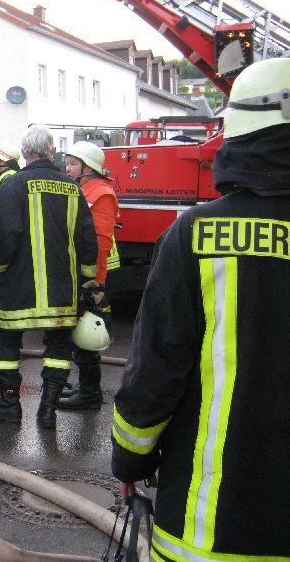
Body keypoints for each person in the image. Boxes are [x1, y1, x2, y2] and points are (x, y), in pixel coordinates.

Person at [112, 58, 290, 561]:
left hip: (209, 526)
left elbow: (155, 370)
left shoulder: (194, 234)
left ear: (236, 132)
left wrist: (129, 461)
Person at [0, 125, 97, 429]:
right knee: (59, 347)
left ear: (24, 152)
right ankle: (48, 409)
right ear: (52, 152)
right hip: (62, 288)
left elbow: (5, 236)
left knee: (5, 341)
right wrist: (86, 280)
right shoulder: (73, 188)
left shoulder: (13, 185)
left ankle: (8, 403)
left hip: (18, 287)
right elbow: (87, 237)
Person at [58, 141, 119, 410]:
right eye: (68, 163)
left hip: (90, 279)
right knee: (79, 334)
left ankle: (90, 395)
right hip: (79, 276)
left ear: (89, 167)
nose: (67, 168)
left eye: (73, 164)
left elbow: (100, 242)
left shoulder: (101, 193)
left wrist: (91, 281)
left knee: (87, 335)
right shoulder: (82, 190)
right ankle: (85, 389)